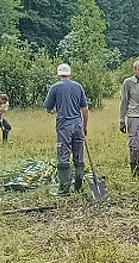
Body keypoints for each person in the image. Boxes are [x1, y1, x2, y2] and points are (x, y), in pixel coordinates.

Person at [43, 63, 90, 195]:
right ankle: (78, 186)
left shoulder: (55, 88)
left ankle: (64, 189)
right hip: (78, 125)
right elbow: (85, 110)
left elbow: (48, 109)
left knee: (63, 156)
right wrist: (84, 126)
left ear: (59, 74)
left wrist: (54, 110)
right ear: (69, 73)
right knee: (78, 155)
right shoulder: (78, 86)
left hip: (64, 125)